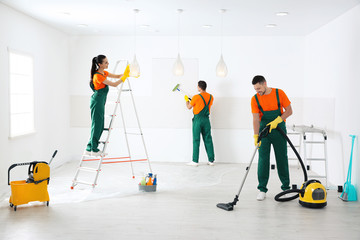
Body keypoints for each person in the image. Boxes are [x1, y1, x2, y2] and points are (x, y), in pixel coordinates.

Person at [251, 75, 293, 200]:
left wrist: (278, 120)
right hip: (264, 132)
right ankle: (262, 189)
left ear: (264, 83)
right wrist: (256, 136)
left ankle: (286, 188)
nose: (257, 91)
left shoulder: (279, 93)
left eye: (259, 88)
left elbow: (289, 111)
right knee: (263, 160)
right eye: (255, 89)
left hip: (279, 131)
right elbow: (255, 118)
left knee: (282, 158)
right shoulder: (255, 99)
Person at [85, 55, 130, 157]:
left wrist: (126, 73)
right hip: (97, 101)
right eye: (105, 62)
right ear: (100, 64)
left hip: (100, 101)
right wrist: (124, 78)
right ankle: (93, 149)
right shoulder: (98, 76)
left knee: (100, 125)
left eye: (107, 62)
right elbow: (114, 84)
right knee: (97, 125)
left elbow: (117, 76)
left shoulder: (104, 73)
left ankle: (91, 147)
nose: (108, 64)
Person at [184, 80, 215, 166]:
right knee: (208, 139)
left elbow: (189, 107)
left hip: (198, 120)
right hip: (206, 120)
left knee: (196, 139)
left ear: (199, 87)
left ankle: (195, 161)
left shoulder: (195, 97)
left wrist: (187, 100)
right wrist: (194, 101)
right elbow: (203, 104)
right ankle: (211, 160)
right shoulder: (211, 97)